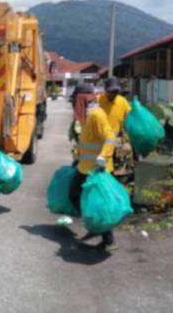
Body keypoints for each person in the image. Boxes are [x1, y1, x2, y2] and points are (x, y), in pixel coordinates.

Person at [68, 84, 118, 251]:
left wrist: (103, 156)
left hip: (97, 169)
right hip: (85, 167)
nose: (74, 102)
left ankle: (108, 239)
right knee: (80, 198)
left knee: (97, 203)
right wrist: (78, 154)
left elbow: (110, 137)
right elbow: (87, 139)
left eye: (76, 99)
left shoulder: (97, 115)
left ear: (84, 98)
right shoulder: (87, 115)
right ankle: (95, 227)